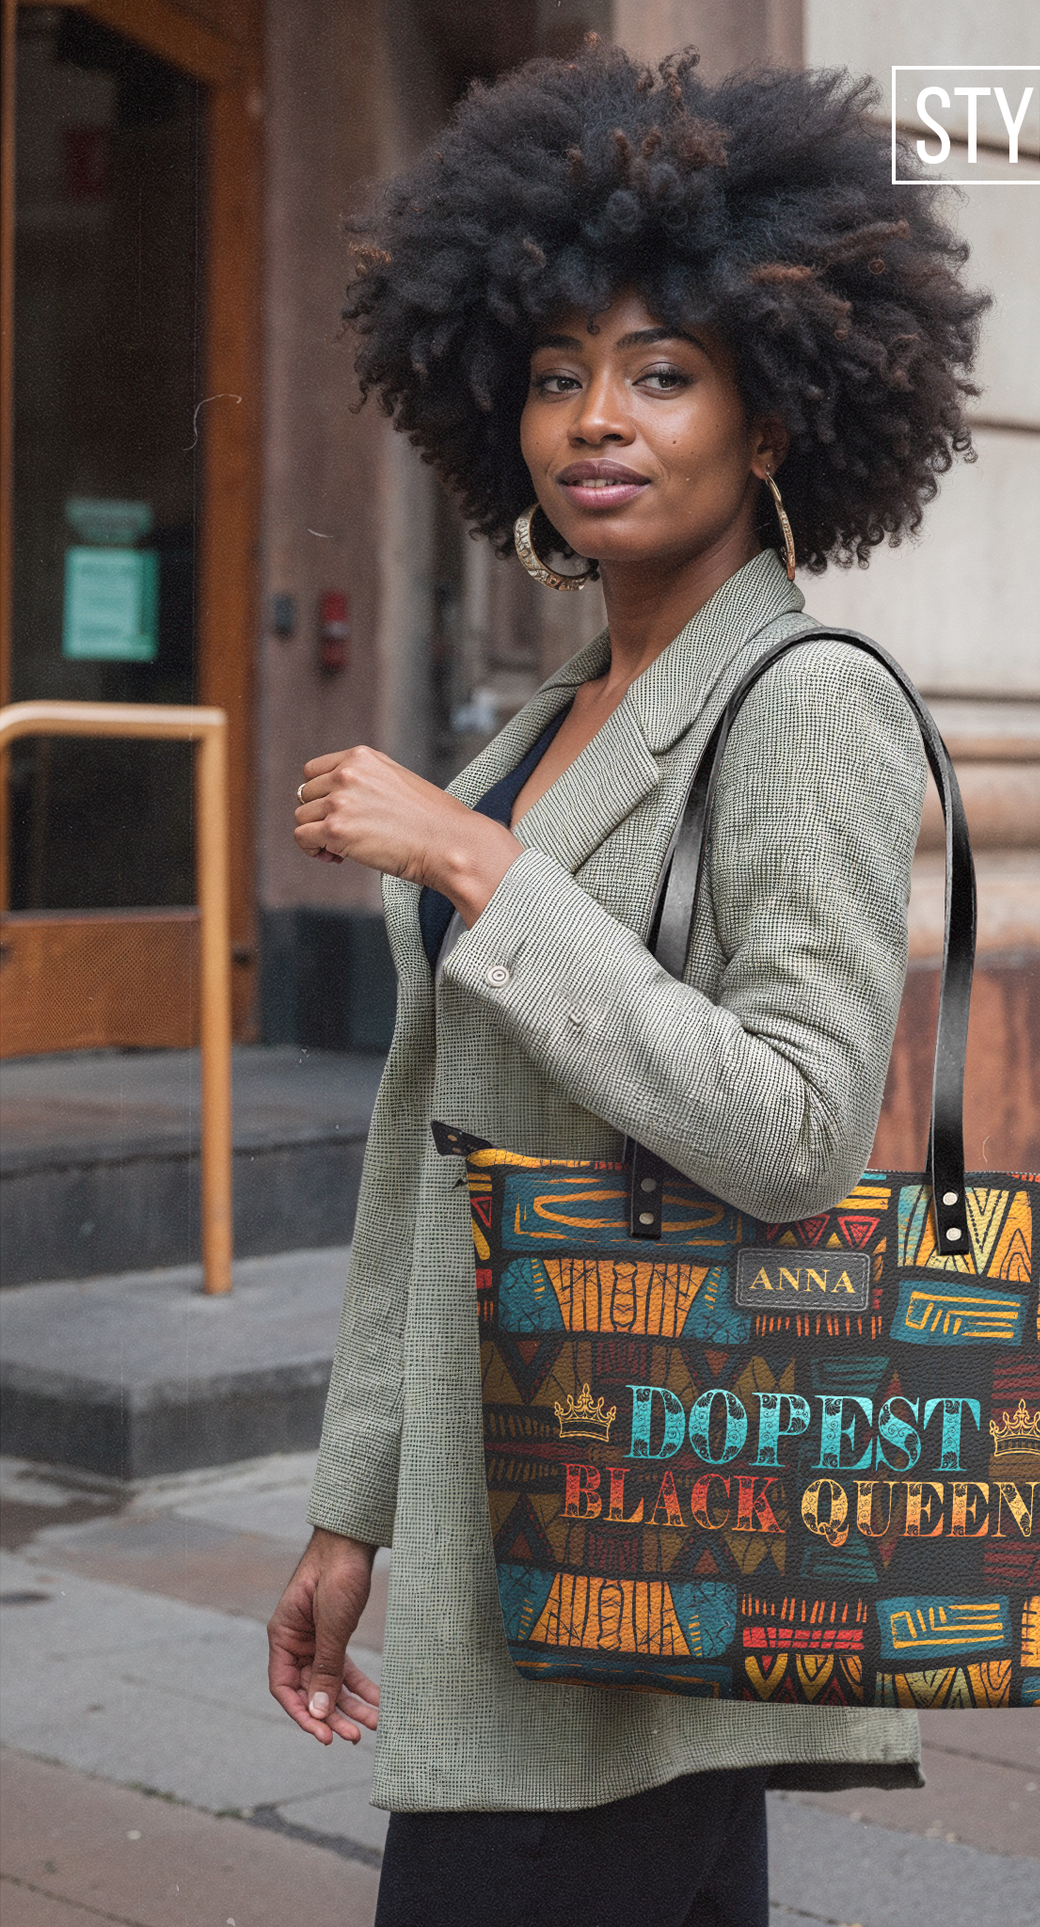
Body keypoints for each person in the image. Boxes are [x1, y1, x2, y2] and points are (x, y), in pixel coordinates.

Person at [266, 40, 986, 1927]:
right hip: (512, 1540)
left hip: (644, 1531)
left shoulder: (805, 701)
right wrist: (356, 1507)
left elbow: (798, 1125)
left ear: (770, 420)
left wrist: (479, 871)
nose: (599, 417)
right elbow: (427, 1160)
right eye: (560, 373)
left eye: (663, 372)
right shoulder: (534, 729)